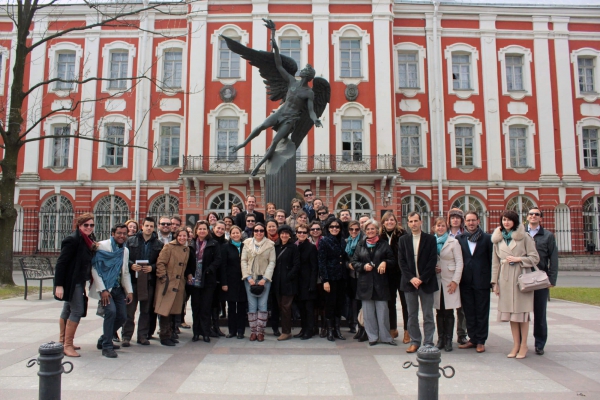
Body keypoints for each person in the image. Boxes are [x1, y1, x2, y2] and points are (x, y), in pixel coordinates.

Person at [492, 210, 540, 359]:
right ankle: (516, 344)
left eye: (509, 220)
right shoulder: (498, 239)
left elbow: (535, 258)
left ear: (515, 222)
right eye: (504, 220)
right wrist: (495, 283)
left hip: (521, 277)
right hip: (505, 279)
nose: (506, 222)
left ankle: (524, 345)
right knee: (512, 315)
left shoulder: (524, 236)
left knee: (522, 314)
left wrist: (519, 259)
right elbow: (495, 262)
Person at [54, 213, 97, 358]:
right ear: (79, 225)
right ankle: (67, 345)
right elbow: (61, 263)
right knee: (77, 310)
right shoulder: (72, 240)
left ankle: (62, 340)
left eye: (91, 225)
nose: (89, 227)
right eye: (86, 225)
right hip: (72, 281)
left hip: (80, 280)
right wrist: (58, 285)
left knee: (67, 308)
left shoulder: (88, 240)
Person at [90, 224, 133, 358]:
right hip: (105, 288)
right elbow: (95, 268)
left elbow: (125, 272)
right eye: (119, 233)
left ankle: (104, 339)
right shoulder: (102, 246)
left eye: (124, 233)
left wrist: (129, 291)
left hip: (118, 288)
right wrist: (102, 289)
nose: (122, 236)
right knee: (111, 313)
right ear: (113, 233)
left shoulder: (125, 250)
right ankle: (107, 346)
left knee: (122, 316)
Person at [351, 219, 396, 346]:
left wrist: (385, 262)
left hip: (380, 283)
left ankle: (386, 337)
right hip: (365, 284)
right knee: (368, 314)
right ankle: (372, 337)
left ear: (377, 230)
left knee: (383, 312)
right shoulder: (360, 245)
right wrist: (364, 266)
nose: (370, 231)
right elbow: (354, 262)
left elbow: (392, 260)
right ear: (365, 231)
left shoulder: (383, 244)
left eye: (373, 229)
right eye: (368, 229)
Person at [398, 212, 438, 353]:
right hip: (409, 283)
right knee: (411, 315)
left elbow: (432, 261)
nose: (413, 224)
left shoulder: (430, 239)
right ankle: (415, 341)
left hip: (426, 282)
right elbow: (401, 262)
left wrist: (421, 278)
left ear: (421, 222)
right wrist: (412, 278)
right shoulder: (403, 240)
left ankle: (428, 342)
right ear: (407, 223)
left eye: (416, 221)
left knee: (428, 314)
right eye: (410, 221)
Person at [122, 217, 164, 347]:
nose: (149, 228)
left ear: (154, 227)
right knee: (130, 310)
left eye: (151, 226)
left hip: (148, 281)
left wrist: (152, 267)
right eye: (147, 226)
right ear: (142, 226)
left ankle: (142, 336)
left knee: (145, 311)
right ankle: (126, 336)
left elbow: (161, 263)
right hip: (133, 281)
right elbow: (123, 257)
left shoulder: (159, 244)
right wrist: (131, 265)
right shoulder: (130, 241)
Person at [456, 211, 493, 353]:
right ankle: (472, 338)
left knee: (482, 311)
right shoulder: (460, 238)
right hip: (465, 281)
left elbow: (491, 261)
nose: (471, 223)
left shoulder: (487, 239)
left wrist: (492, 281)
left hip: (482, 281)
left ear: (478, 221)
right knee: (469, 311)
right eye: (468, 220)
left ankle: (481, 340)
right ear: (464, 222)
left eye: (473, 220)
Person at [525, 207, 559, 356]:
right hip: (523, 277)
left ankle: (539, 343)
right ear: (527, 217)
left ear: (541, 218)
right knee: (522, 313)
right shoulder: (521, 234)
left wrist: (552, 279)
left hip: (540, 278)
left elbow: (554, 258)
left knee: (540, 313)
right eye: (531, 214)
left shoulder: (547, 236)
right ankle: (521, 343)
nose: (533, 216)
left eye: (536, 214)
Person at [155, 227, 194, 346]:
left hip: (179, 283)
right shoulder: (168, 247)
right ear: (176, 236)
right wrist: (163, 277)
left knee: (174, 311)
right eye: (180, 235)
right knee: (165, 310)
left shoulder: (186, 249)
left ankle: (171, 333)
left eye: (184, 236)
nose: (182, 238)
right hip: (168, 282)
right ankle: (164, 335)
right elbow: (161, 262)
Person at [186, 220, 222, 343]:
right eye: (200, 229)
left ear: (208, 231)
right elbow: (187, 261)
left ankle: (206, 332)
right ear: (196, 230)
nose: (202, 231)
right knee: (196, 307)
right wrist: (189, 273)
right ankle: (196, 332)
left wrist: (209, 270)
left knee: (206, 307)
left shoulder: (213, 243)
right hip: (194, 279)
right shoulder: (191, 244)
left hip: (207, 279)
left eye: (204, 229)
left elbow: (218, 259)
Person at [432, 217, 463, 352]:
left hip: (450, 281)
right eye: (438, 226)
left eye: (443, 226)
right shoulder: (431, 242)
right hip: (437, 281)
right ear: (434, 227)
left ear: (447, 227)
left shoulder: (454, 242)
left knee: (449, 311)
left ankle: (449, 340)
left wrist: (455, 281)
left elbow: (459, 263)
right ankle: (440, 339)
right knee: (439, 311)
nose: (440, 228)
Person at [241, 222, 276, 342]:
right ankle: (253, 332)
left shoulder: (270, 244)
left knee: (262, 304)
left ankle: (261, 332)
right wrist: (248, 277)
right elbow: (243, 260)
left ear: (264, 231)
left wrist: (265, 278)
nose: (259, 232)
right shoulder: (247, 243)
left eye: (261, 230)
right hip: (250, 278)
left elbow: (272, 262)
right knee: (252, 305)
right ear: (253, 232)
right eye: (256, 230)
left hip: (264, 279)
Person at [379, 211, 409, 343]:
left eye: (392, 220)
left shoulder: (403, 235)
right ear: (383, 223)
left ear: (396, 222)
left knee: (405, 303)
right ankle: (393, 328)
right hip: (387, 275)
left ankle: (408, 331)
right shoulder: (380, 237)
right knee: (390, 303)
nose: (389, 222)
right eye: (387, 220)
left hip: (402, 274)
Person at [318, 218, 347, 341]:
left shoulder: (343, 241)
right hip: (330, 278)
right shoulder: (324, 241)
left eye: (337, 227)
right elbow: (322, 262)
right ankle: (330, 330)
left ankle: (337, 329)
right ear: (328, 228)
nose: (334, 229)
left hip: (341, 277)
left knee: (339, 304)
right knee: (330, 304)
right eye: (332, 227)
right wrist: (325, 280)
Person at [272, 224, 300, 341]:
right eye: (282, 233)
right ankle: (284, 329)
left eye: (286, 233)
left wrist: (288, 276)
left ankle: (286, 331)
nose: (284, 235)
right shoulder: (275, 246)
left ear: (289, 235)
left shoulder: (293, 247)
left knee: (286, 307)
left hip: (288, 283)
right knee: (280, 307)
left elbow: (296, 265)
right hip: (277, 283)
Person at [220, 226, 248, 339]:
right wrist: (224, 283)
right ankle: (232, 330)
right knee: (231, 307)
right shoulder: (225, 247)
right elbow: (223, 266)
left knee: (242, 307)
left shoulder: (245, 246)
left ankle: (241, 331)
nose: (236, 235)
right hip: (230, 281)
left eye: (238, 233)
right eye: (233, 233)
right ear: (230, 235)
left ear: (241, 234)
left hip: (243, 281)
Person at [447, 208, 469, 345]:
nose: (455, 219)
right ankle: (447, 334)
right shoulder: (442, 235)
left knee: (462, 307)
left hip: (464, 274)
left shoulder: (467, 235)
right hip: (447, 275)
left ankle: (461, 333)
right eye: (452, 217)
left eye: (457, 217)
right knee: (448, 306)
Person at [294, 223, 318, 340]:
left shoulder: (311, 247)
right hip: (297, 283)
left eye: (304, 232)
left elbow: (314, 267)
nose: (301, 234)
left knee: (309, 309)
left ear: (307, 234)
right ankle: (303, 329)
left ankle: (309, 330)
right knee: (301, 308)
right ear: (296, 233)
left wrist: (312, 284)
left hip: (308, 283)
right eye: (299, 232)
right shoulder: (295, 246)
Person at [345, 220, 364, 338]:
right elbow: (343, 258)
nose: (354, 231)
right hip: (351, 275)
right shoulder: (346, 242)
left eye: (356, 229)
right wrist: (348, 265)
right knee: (353, 300)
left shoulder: (363, 242)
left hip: (361, 275)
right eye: (351, 229)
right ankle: (353, 323)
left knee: (361, 301)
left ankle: (362, 326)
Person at [210, 221, 228, 337]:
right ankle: (209, 327)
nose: (220, 231)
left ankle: (216, 327)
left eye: (222, 229)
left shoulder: (226, 243)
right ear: (214, 228)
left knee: (216, 303)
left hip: (220, 276)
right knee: (209, 303)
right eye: (218, 228)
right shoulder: (209, 240)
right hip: (210, 275)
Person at [309, 221, 325, 336]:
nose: (315, 231)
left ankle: (324, 327)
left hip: (322, 276)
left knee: (323, 302)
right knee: (313, 303)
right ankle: (314, 326)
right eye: (313, 229)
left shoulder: (325, 241)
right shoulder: (306, 241)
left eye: (317, 229)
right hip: (310, 277)